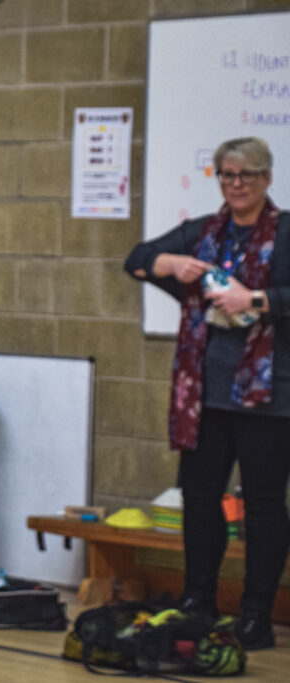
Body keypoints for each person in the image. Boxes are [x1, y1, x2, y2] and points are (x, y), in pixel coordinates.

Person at [125, 137, 289, 650]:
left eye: (246, 175)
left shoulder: (286, 233)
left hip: (268, 398)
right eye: (227, 175)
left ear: (266, 178)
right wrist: (170, 264)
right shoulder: (203, 232)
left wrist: (255, 299)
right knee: (199, 500)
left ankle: (256, 614)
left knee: (263, 505)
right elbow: (136, 258)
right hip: (204, 397)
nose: (236, 184)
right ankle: (198, 600)